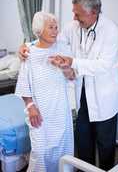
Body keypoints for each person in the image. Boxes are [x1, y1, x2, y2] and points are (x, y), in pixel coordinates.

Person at [18, 0, 118, 171]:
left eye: (78, 14)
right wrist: (26, 46)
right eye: (74, 12)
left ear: (93, 12)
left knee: (105, 148)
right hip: (82, 98)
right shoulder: (72, 27)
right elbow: (48, 40)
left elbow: (103, 65)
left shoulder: (111, 30)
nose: (74, 18)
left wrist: (72, 62)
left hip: (104, 99)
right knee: (83, 146)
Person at [16, 11, 74, 172]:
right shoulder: (29, 52)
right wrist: (30, 107)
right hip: (39, 112)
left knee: (62, 150)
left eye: (56, 27)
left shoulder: (63, 48)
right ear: (39, 30)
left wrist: (64, 67)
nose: (55, 31)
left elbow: (72, 76)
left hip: (60, 111)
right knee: (40, 152)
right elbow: (23, 83)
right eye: (51, 27)